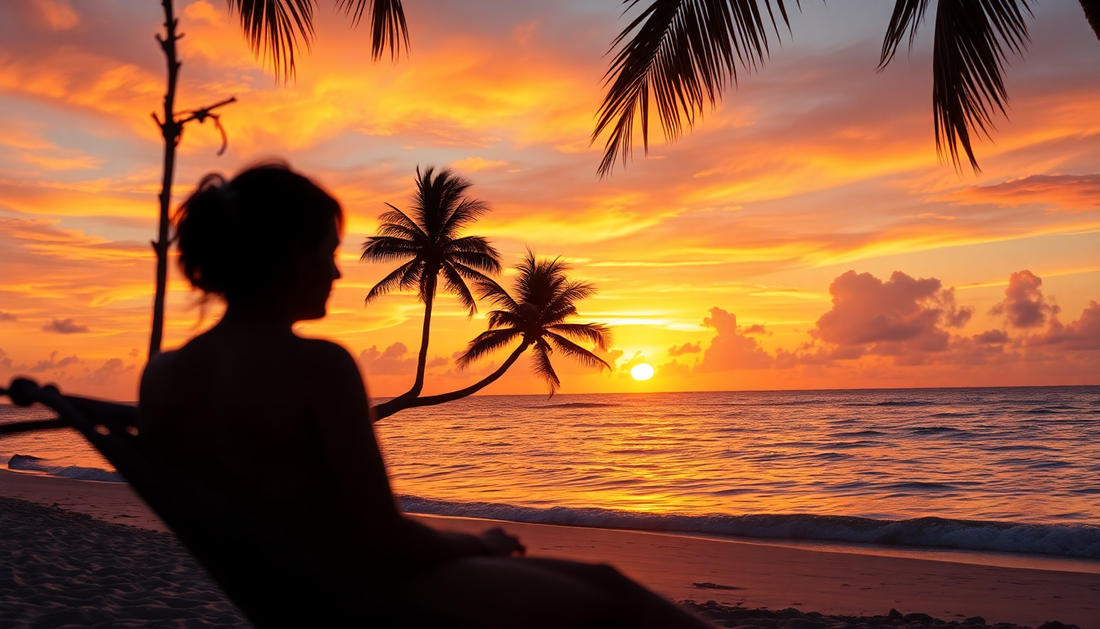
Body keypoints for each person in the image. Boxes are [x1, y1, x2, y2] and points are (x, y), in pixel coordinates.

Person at [138, 162, 714, 629]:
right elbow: (385, 539)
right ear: (292, 256)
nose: (337, 274)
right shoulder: (318, 365)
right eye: (328, 252)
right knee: (611, 593)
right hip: (365, 600)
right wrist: (475, 542)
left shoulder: (162, 376)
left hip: (282, 601)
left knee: (598, 585)